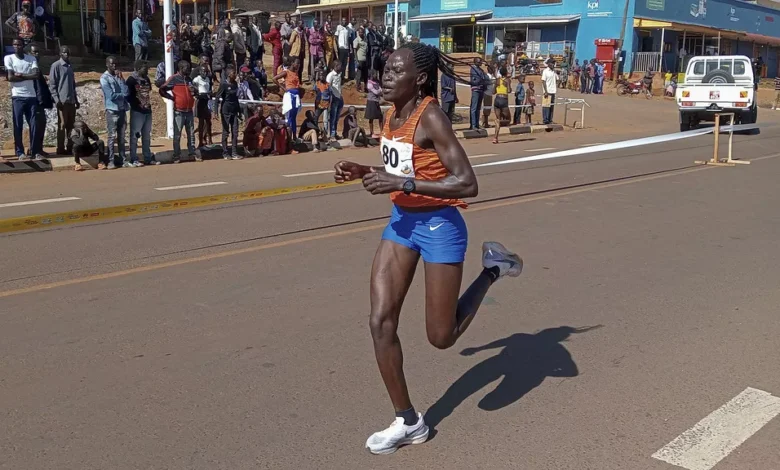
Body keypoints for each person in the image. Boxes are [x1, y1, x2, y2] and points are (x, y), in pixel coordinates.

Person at [332, 42, 522, 455]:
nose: (385, 77)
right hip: (402, 223)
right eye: (385, 69)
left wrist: (402, 184)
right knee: (380, 322)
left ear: (418, 79)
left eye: (395, 71)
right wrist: (365, 171)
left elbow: (468, 183)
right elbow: (405, 169)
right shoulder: (391, 113)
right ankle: (408, 421)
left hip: (440, 227)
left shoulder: (430, 116)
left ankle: (493, 268)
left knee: (442, 336)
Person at [5, 38, 40, 161]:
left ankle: (35, 151)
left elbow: (36, 75)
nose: (16, 46)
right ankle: (20, 152)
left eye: (19, 44)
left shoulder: (31, 59)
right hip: (17, 96)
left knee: (34, 124)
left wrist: (21, 75)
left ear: (23, 45)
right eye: (14, 44)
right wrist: (27, 77)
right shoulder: (9, 58)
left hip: (31, 96)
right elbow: (10, 77)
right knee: (18, 124)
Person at [159, 60, 199, 163]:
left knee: (191, 134)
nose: (189, 69)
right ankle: (176, 155)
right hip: (179, 112)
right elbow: (162, 89)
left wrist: (194, 91)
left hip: (189, 111)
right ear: (181, 68)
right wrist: (171, 98)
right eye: (187, 68)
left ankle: (192, 153)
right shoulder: (174, 79)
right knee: (177, 135)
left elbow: (195, 92)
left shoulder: (189, 79)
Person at [49, 46, 79, 156]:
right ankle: (60, 148)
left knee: (71, 126)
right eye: (64, 52)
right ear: (60, 53)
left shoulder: (70, 66)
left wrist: (76, 99)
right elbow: (52, 85)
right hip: (62, 102)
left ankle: (70, 147)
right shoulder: (56, 66)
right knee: (62, 125)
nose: (66, 54)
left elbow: (73, 85)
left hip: (71, 101)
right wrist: (56, 99)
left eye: (68, 53)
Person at [100, 56, 129, 169]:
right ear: (107, 64)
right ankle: (111, 160)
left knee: (122, 137)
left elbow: (126, 91)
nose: (114, 66)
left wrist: (121, 79)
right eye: (112, 64)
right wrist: (123, 95)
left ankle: (123, 160)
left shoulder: (118, 76)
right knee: (111, 137)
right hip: (112, 110)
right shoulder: (104, 78)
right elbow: (111, 95)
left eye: (116, 63)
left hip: (122, 110)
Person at [126, 60, 156, 166]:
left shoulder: (147, 79)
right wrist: (136, 104)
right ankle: (133, 159)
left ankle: (147, 157)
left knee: (146, 136)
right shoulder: (131, 80)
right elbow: (127, 96)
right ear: (138, 68)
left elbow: (148, 92)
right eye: (145, 68)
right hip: (137, 112)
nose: (147, 70)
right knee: (135, 136)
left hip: (147, 110)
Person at [29, 45, 53, 159]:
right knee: (36, 126)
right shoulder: (30, 68)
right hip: (34, 101)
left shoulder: (37, 67)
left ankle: (39, 149)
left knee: (42, 124)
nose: (37, 55)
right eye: (34, 52)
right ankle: (35, 151)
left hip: (41, 102)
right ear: (30, 53)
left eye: (38, 52)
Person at [215, 65, 242, 160]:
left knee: (235, 132)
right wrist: (215, 111)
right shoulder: (223, 84)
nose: (236, 75)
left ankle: (234, 153)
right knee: (226, 132)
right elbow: (217, 98)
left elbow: (236, 99)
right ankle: (225, 152)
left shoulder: (235, 83)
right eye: (234, 73)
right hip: (225, 111)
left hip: (234, 111)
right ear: (229, 74)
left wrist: (239, 111)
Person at [274, 58, 302, 138]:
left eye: (299, 64)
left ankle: (294, 136)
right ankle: (289, 137)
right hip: (290, 96)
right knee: (289, 117)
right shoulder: (286, 72)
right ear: (292, 63)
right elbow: (274, 79)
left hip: (296, 96)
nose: (298, 65)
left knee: (294, 117)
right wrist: (283, 88)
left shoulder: (296, 73)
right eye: (297, 63)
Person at [192, 63, 214, 148]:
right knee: (201, 123)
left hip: (207, 101)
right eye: (203, 71)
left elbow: (209, 89)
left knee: (208, 122)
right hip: (200, 101)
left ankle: (210, 139)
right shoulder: (197, 79)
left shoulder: (208, 79)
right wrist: (197, 93)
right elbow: (192, 87)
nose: (204, 73)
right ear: (200, 71)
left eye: (206, 71)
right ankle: (200, 141)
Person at [492, 66, 511, 144]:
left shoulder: (497, 80)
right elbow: (509, 91)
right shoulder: (507, 80)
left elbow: (493, 92)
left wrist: (496, 85)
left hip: (497, 99)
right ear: (506, 73)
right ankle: (499, 122)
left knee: (498, 118)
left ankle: (495, 137)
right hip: (504, 100)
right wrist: (507, 85)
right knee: (509, 120)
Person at [326, 60, 344, 140]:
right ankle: (332, 134)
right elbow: (328, 87)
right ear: (335, 66)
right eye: (339, 66)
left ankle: (335, 132)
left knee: (337, 117)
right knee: (332, 117)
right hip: (334, 98)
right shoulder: (330, 75)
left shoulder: (339, 74)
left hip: (339, 97)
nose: (341, 67)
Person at [469, 57, 487, 130]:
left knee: (478, 108)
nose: (481, 63)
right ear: (475, 62)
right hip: (476, 89)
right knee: (474, 108)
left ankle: (476, 124)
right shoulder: (473, 69)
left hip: (481, 89)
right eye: (479, 61)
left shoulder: (481, 70)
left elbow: (484, 77)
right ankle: (473, 125)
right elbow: (478, 79)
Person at [365, 69, 383, 138]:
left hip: (376, 101)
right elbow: (377, 92)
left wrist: (379, 90)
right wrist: (379, 90)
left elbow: (380, 90)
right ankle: (371, 132)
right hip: (371, 101)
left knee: (380, 117)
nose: (376, 75)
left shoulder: (377, 82)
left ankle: (381, 131)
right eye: (375, 74)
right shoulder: (369, 83)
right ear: (371, 75)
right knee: (371, 118)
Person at [314, 70, 331, 136]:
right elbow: (315, 93)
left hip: (326, 104)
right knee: (315, 117)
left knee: (325, 120)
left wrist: (330, 104)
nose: (321, 76)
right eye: (320, 75)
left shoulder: (327, 85)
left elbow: (330, 95)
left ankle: (325, 133)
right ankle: (316, 131)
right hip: (319, 104)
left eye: (323, 75)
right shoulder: (317, 84)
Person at [541, 59, 557, 125]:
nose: (553, 64)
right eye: (552, 63)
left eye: (554, 63)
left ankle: (550, 119)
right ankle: (545, 120)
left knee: (551, 107)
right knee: (546, 106)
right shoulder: (545, 71)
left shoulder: (554, 72)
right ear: (549, 64)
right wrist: (545, 91)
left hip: (553, 91)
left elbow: (557, 79)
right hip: (547, 91)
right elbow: (543, 81)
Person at [354, 27, 368, 92]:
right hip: (359, 59)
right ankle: (358, 87)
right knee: (359, 75)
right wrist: (356, 61)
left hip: (365, 59)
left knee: (365, 75)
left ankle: (365, 87)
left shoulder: (365, 39)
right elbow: (354, 51)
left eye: (362, 32)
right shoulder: (357, 40)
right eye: (360, 32)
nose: (361, 33)